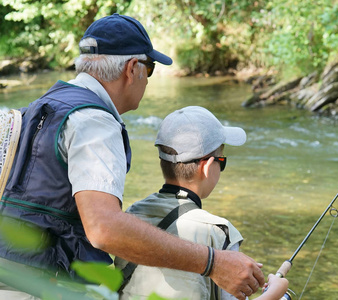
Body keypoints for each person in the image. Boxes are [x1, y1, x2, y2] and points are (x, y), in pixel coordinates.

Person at [0, 14, 264, 299]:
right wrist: (212, 262)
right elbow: (104, 228)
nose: (147, 80)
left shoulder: (45, 104)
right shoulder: (95, 123)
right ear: (132, 68)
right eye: (149, 69)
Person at [114, 106, 289, 300]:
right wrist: (275, 294)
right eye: (222, 161)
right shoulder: (217, 232)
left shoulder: (129, 217)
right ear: (206, 167)